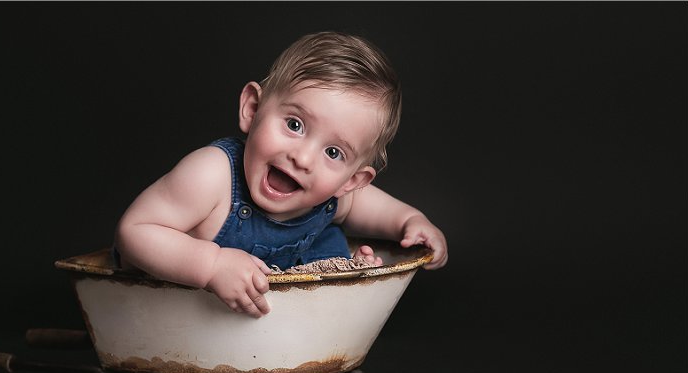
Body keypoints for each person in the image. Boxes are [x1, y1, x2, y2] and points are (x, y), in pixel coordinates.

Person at [115, 31, 447, 318]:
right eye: (294, 124)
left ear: (350, 182)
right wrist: (211, 265)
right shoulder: (210, 175)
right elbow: (134, 231)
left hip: (277, 330)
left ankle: (343, 275)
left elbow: (374, 208)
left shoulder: (332, 196)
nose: (302, 158)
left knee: (332, 241)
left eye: (333, 153)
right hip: (184, 318)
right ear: (253, 109)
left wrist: (410, 221)